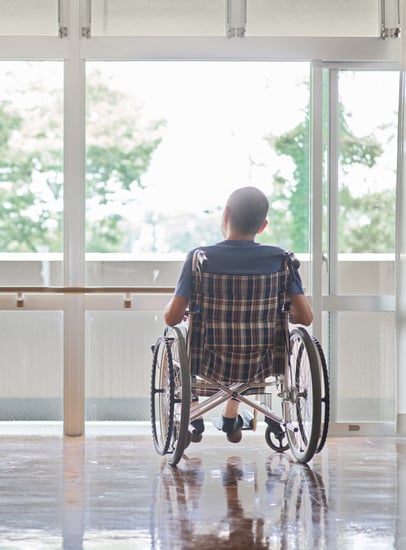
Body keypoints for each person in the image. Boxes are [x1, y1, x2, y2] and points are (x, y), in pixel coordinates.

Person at [164, 186, 313, 443]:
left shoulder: (200, 258)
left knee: (180, 340)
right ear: (263, 225)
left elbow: (172, 319)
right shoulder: (282, 260)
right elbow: (306, 318)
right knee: (247, 342)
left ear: (226, 215)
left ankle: (195, 413)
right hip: (262, 358)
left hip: (209, 357)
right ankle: (230, 417)